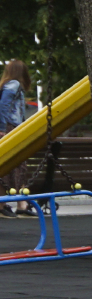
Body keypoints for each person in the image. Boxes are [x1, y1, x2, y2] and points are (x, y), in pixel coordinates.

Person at [0, 60, 30, 217]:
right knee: (16, 165)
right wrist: (1, 128)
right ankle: (11, 204)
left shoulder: (7, 84)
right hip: (10, 127)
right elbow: (3, 106)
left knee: (12, 165)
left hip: (10, 127)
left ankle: (19, 204)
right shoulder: (14, 85)